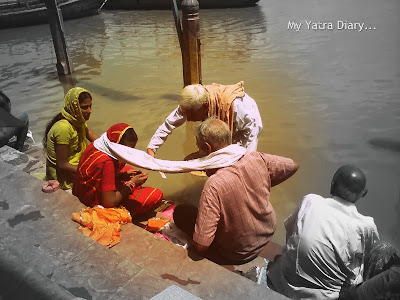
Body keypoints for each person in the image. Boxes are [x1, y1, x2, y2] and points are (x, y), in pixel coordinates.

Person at [172, 117, 298, 265]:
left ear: (208, 148)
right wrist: (264, 184)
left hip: (237, 253)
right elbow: (293, 165)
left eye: (199, 148)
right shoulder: (256, 158)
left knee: (181, 212)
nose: (198, 152)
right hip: (267, 231)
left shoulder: (214, 185)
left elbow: (201, 246)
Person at [267, 164, 380, 299]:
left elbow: (290, 232)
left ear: (332, 185)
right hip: (326, 296)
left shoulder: (310, 201)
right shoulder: (366, 225)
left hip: (283, 282)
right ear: (364, 194)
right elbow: (370, 259)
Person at [146, 81, 262, 158]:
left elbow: (250, 135)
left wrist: (240, 155)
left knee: (246, 161)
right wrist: (152, 148)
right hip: (233, 122)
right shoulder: (191, 102)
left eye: (191, 114)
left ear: (206, 106)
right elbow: (168, 125)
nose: (189, 119)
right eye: (186, 114)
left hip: (246, 127)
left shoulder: (239, 109)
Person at [73, 123, 164, 216]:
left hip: (81, 190)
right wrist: (132, 183)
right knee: (156, 194)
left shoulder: (99, 144)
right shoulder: (108, 162)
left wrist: (122, 176)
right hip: (94, 202)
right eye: (128, 149)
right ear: (117, 145)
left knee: (128, 169)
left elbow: (99, 173)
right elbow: (109, 203)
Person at [43, 87, 97, 190]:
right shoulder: (63, 128)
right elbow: (62, 164)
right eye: (85, 107)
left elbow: (96, 141)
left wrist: (115, 146)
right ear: (74, 107)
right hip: (63, 177)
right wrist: (87, 172)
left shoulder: (78, 121)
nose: (89, 111)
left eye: (90, 106)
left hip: (78, 167)